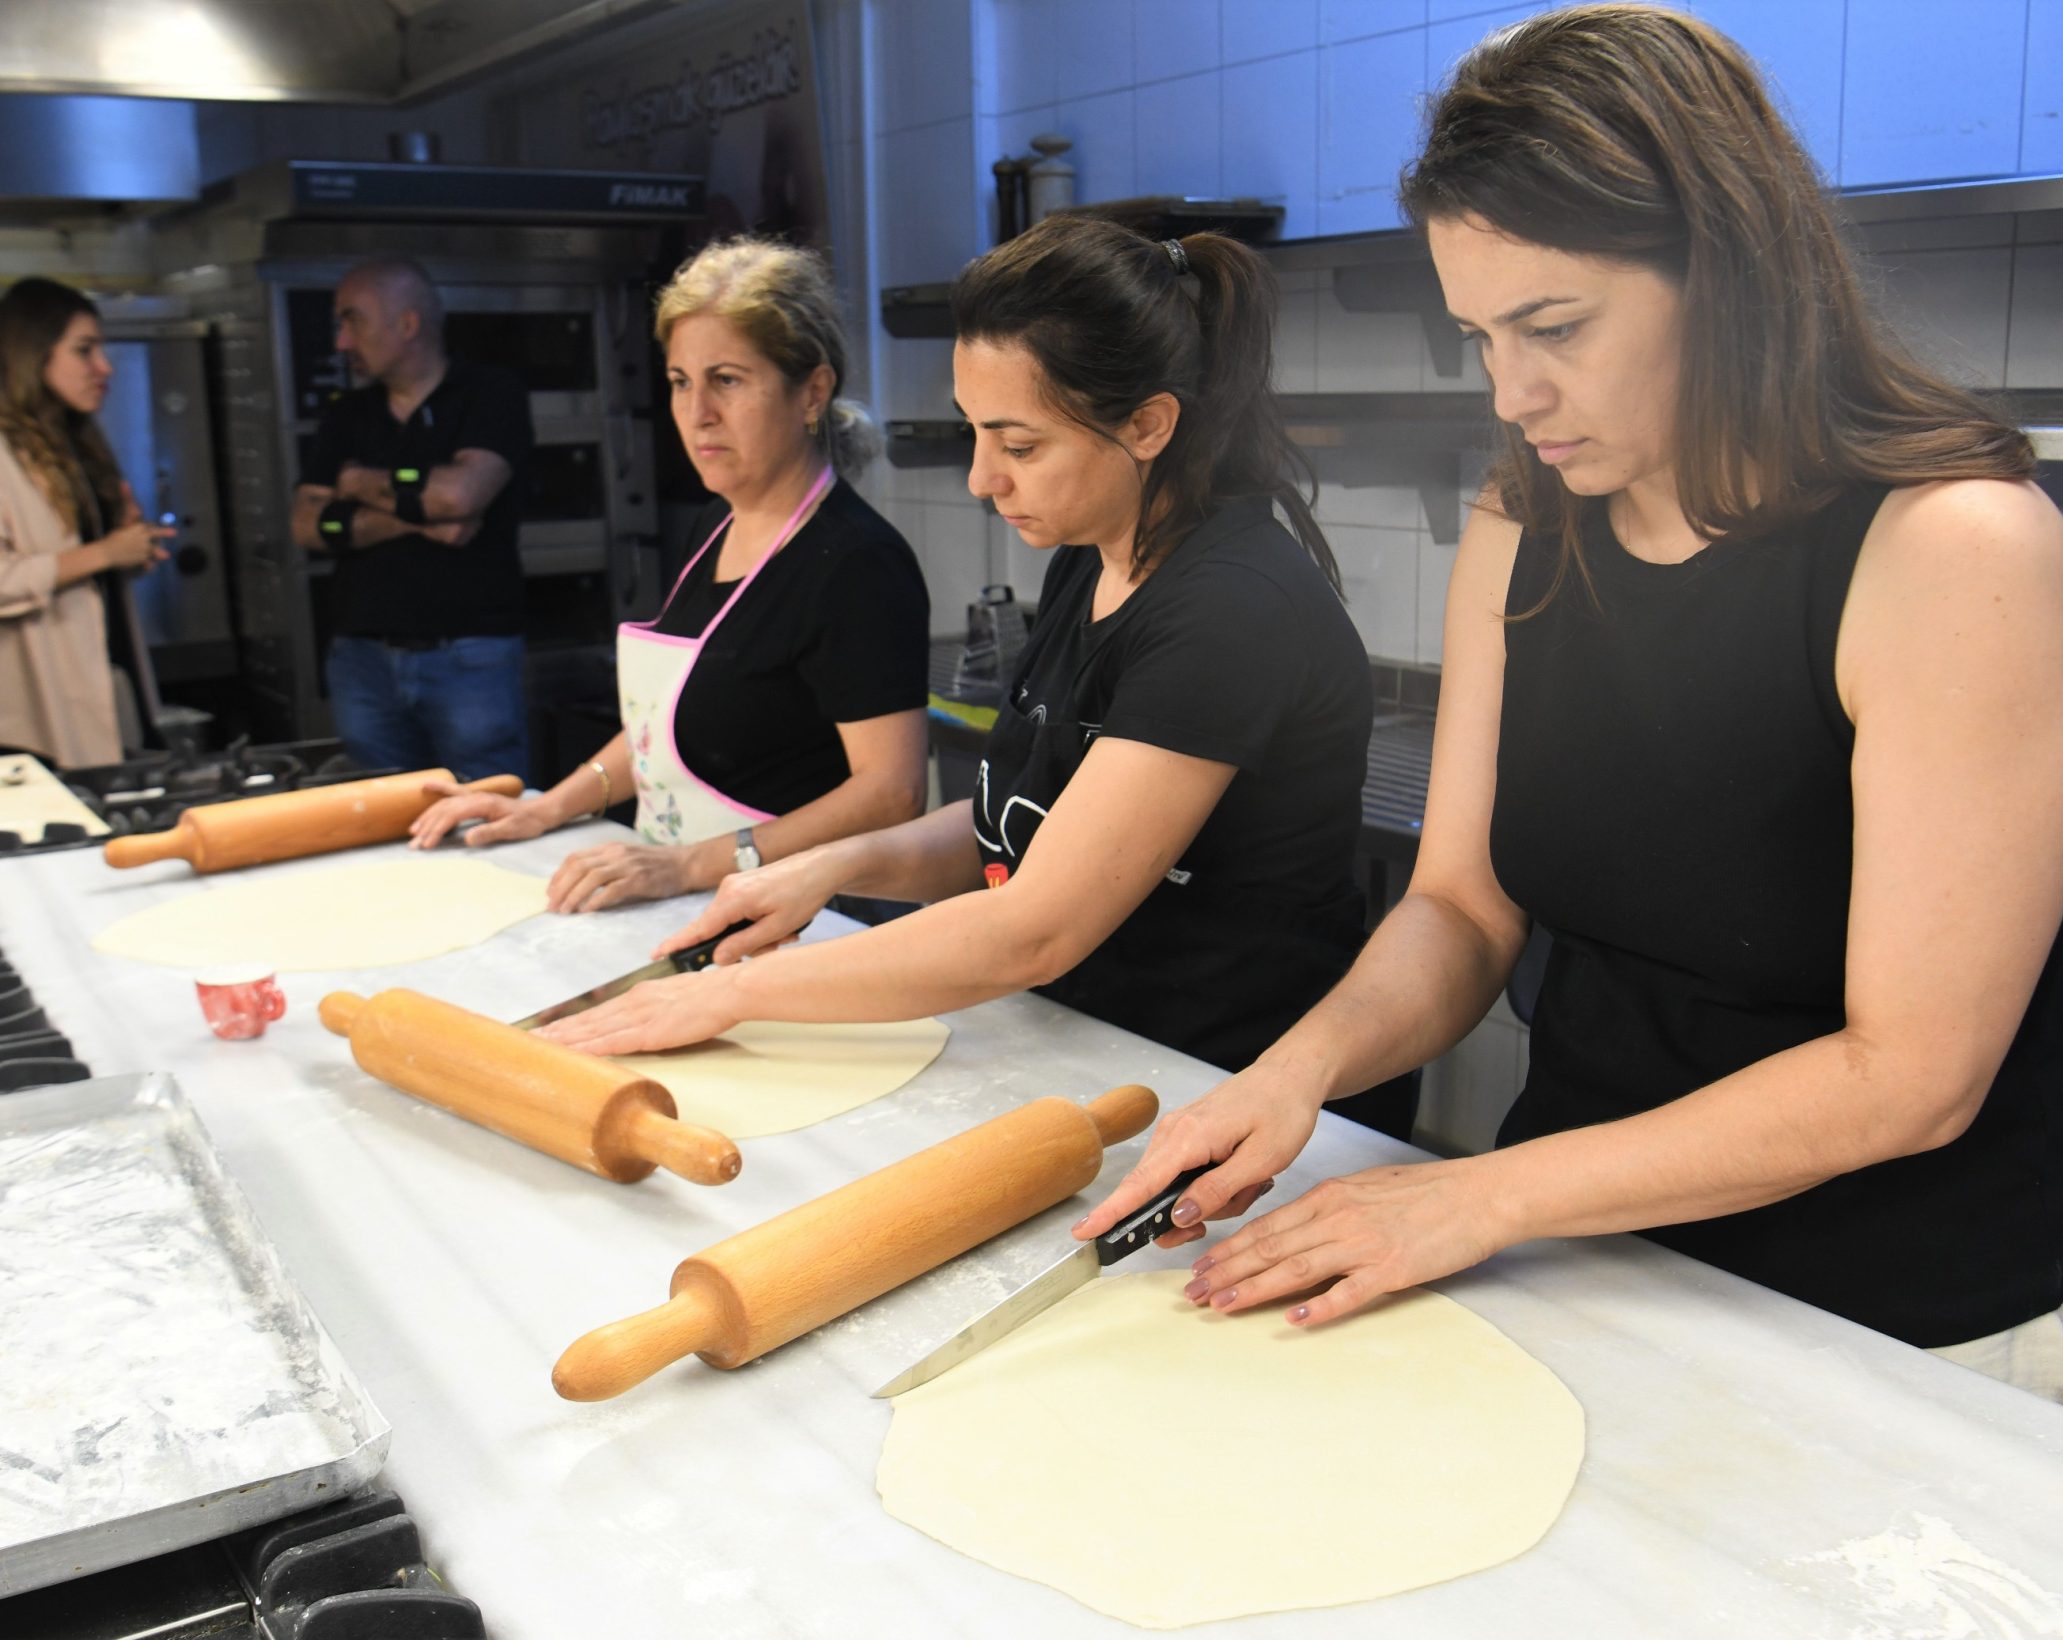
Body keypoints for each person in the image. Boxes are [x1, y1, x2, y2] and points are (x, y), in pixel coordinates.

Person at [1078, 4, 2063, 1408]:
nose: (1516, 396)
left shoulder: (1954, 549)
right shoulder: (1529, 524)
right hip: (1602, 1252)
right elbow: (1460, 906)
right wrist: (1298, 1071)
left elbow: (1910, 1074)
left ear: (1729, 269)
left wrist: (1478, 1198)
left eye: (1555, 327)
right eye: (1481, 338)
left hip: (1911, 1312)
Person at [536, 214, 1414, 1139]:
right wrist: (822, 866)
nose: (981, 479)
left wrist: (732, 997)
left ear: (1150, 425)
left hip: (1231, 1099)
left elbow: (1034, 924)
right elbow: (1024, 818)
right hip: (1096, 1053)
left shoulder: (1231, 610)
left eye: (1019, 445)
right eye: (974, 434)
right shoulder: (1095, 550)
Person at [410, 238, 929, 915]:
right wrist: (547, 807)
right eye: (682, 381)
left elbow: (891, 793)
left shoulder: (858, 563)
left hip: (811, 918)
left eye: (728, 380)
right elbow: (659, 727)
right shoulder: (714, 526)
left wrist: (690, 865)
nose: (697, 412)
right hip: (694, 899)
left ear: (813, 391)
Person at [289, 258, 534, 781]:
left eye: (352, 321)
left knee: (487, 811)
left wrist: (358, 487)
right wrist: (419, 517)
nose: (341, 343)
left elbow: (460, 494)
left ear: (407, 323)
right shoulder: (347, 414)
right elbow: (308, 525)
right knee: (380, 821)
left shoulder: (489, 394)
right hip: (362, 661)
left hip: (470, 657)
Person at [0, 277, 173, 767]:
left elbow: (90, 573)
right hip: (34, 716)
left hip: (110, 681)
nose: (104, 367)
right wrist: (104, 553)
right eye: (85, 351)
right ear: (33, 354)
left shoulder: (79, 445)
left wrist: (133, 549)